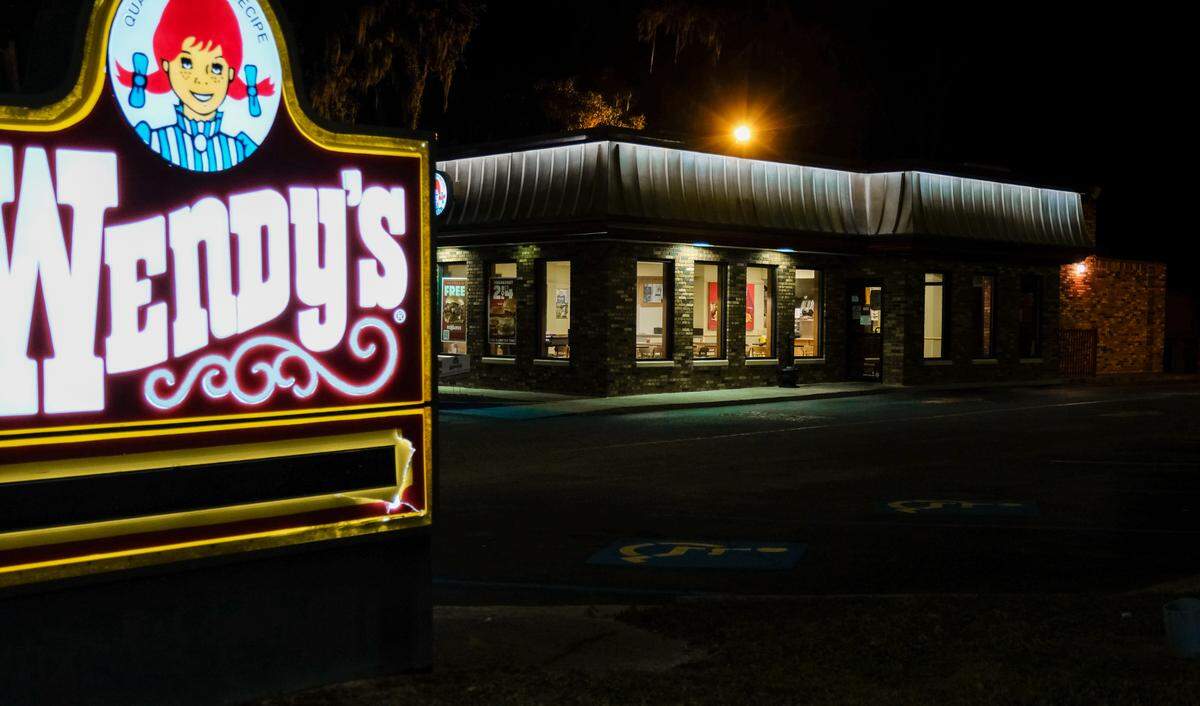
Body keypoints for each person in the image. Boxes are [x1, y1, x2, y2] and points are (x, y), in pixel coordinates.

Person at [115, 0, 275, 171]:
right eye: (186, 63)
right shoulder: (150, 137)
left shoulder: (242, 148)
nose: (202, 80)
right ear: (166, 64)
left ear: (231, 73)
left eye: (216, 67)